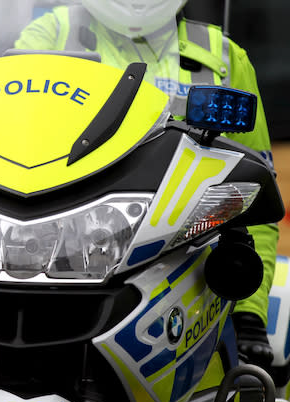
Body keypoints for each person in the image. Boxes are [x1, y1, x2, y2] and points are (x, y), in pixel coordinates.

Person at [15, 0, 279, 369]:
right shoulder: (49, 36)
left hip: (189, 280)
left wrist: (249, 313)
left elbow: (256, 196)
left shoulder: (222, 56)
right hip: (63, 263)